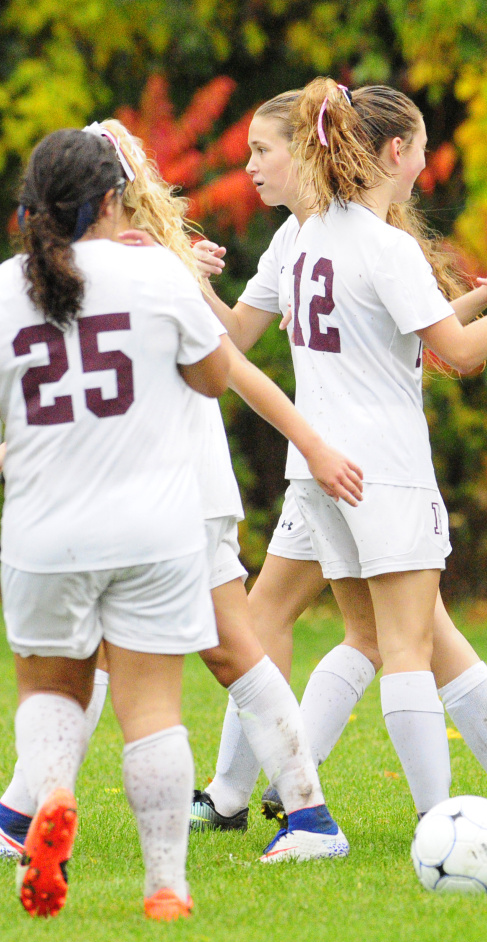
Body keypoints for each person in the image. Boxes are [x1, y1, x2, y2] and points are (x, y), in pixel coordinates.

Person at [193, 87, 487, 830]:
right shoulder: (378, 241)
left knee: (372, 633)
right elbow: (457, 357)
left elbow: (389, 334)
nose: (425, 159)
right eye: (422, 145)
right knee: (405, 645)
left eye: (264, 150)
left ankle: (288, 780)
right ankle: (439, 820)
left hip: (320, 468)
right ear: (395, 152)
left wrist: (482, 299)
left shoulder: (302, 237)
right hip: (382, 467)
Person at [0, 119, 360, 865]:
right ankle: (19, 811)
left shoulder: (127, 269)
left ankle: (312, 815)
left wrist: (313, 443)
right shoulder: (134, 267)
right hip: (149, 486)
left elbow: (230, 368)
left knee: (226, 649)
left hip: (168, 484)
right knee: (124, 657)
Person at [0, 128, 229, 919]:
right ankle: (166, 884)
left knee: (48, 686)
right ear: (108, 200)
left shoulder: (3, 289)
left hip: (43, 530)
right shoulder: (155, 274)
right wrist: (163, 275)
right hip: (155, 531)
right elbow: (214, 375)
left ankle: (53, 794)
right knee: (153, 707)